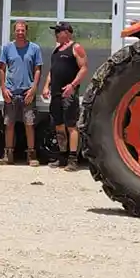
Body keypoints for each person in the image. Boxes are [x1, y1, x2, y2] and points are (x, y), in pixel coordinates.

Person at [42, 21, 88, 169]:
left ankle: (73, 159)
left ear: (66, 33)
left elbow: (84, 68)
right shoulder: (57, 50)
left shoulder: (76, 48)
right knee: (59, 125)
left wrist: (72, 85)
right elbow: (52, 70)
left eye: (58, 31)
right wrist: (46, 85)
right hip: (55, 94)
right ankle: (61, 157)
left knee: (71, 126)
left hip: (68, 94)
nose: (55, 34)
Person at [0, 20, 42, 166]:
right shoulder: (7, 48)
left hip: (27, 92)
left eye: (22, 30)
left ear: (26, 31)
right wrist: (3, 88)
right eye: (17, 30)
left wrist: (34, 88)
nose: (20, 33)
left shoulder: (34, 48)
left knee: (29, 124)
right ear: (14, 31)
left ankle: (31, 155)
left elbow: (38, 69)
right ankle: (8, 155)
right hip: (11, 92)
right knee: (9, 124)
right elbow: (2, 69)